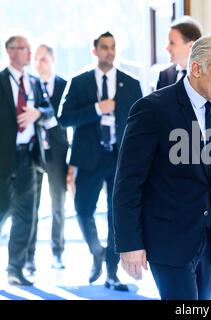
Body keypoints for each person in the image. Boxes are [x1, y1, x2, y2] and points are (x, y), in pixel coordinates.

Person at [113, 34, 211, 300]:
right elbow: (128, 182)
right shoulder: (152, 109)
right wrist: (129, 244)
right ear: (196, 69)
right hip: (167, 240)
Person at [59, 31, 142, 291]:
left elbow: (140, 123)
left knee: (115, 215)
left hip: (120, 158)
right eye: (104, 47)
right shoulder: (78, 82)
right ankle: (96, 251)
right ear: (94, 51)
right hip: (89, 158)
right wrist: (97, 109)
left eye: (113, 47)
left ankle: (112, 271)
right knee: (83, 210)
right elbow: (64, 118)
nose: (110, 51)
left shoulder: (131, 83)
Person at [0, 35, 54, 285]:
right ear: (10, 51)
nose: (29, 53)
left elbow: (50, 110)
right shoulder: (0, 81)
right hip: (3, 160)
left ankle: (15, 269)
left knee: (26, 216)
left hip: (28, 159)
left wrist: (38, 113)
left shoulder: (33, 81)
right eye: (24, 49)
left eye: (29, 48)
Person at [24, 44, 68, 273]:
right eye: (36, 59)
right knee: (31, 207)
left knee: (58, 206)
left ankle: (57, 253)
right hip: (33, 153)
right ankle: (29, 258)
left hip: (58, 154)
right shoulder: (29, 85)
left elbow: (63, 119)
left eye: (43, 59)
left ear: (53, 60)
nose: (39, 64)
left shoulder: (64, 85)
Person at [156, 15, 202, 90]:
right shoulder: (164, 76)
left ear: (191, 46)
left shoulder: (209, 76)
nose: (167, 48)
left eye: (172, 43)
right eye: (167, 43)